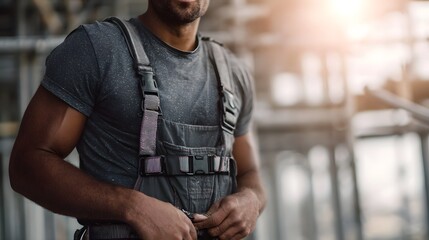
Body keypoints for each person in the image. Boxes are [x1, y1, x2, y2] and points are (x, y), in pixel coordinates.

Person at [9, 0, 266, 239]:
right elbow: (27, 164)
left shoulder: (233, 73)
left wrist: (251, 199)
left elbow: (250, 172)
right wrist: (131, 206)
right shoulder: (96, 50)